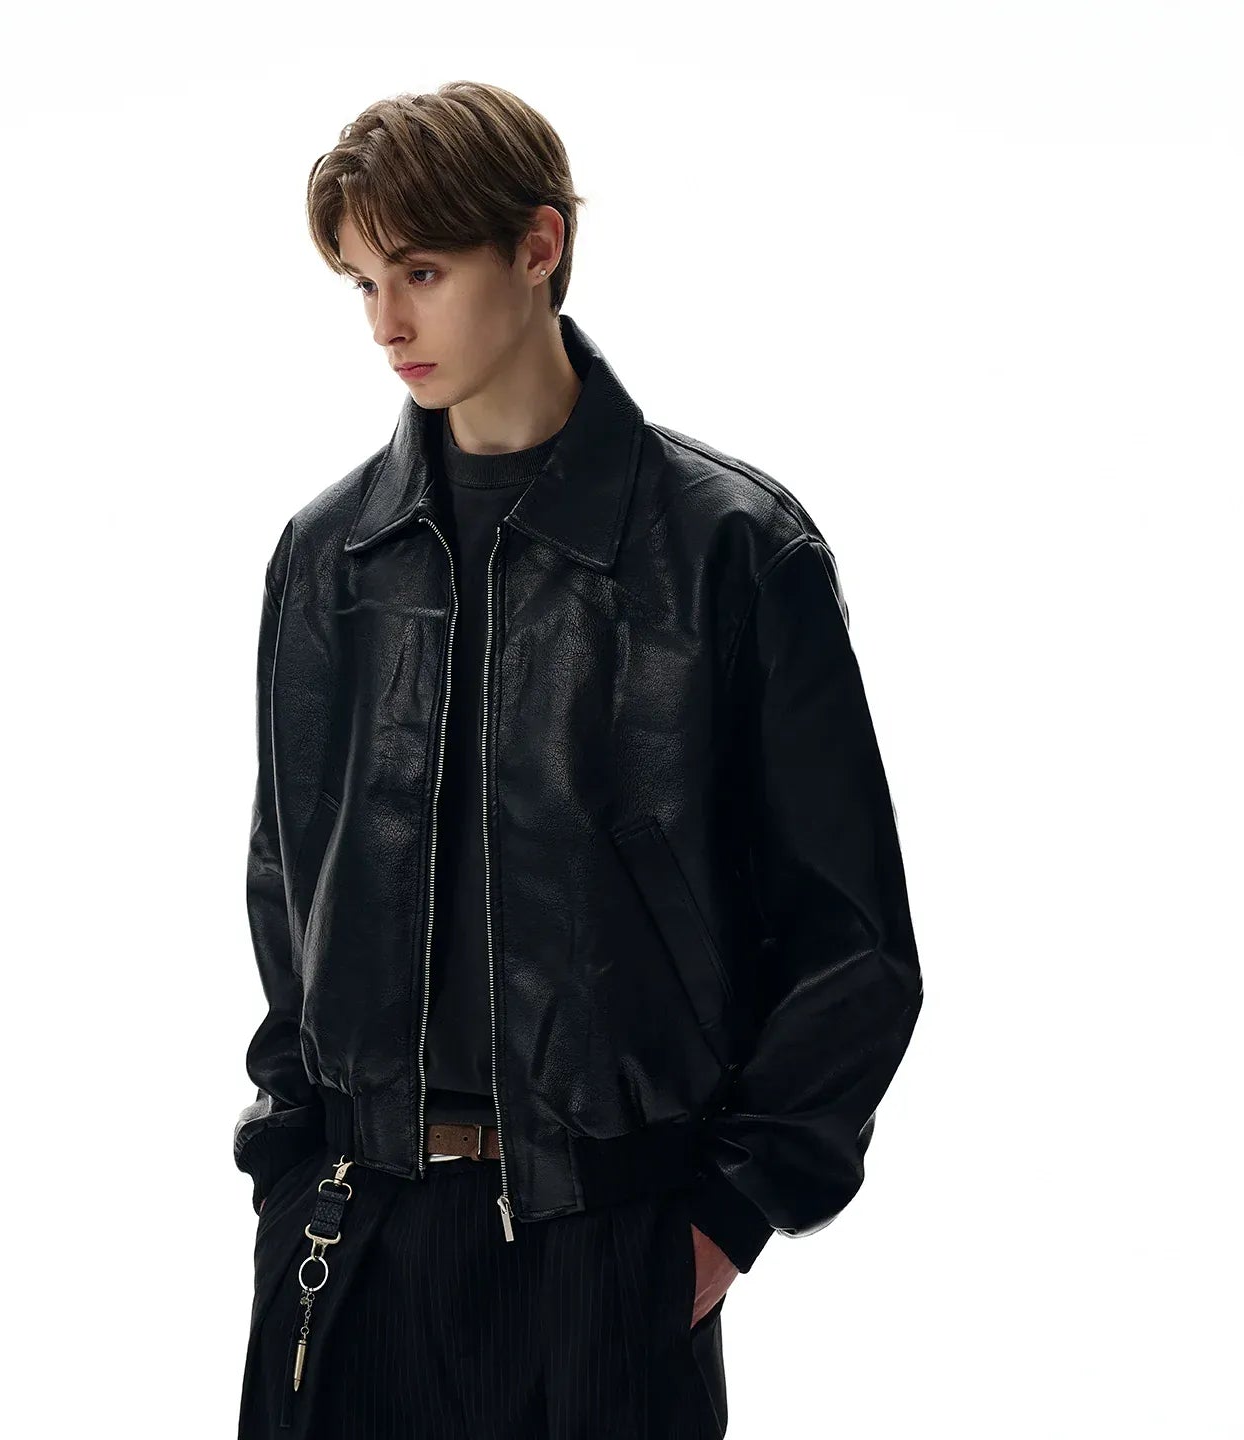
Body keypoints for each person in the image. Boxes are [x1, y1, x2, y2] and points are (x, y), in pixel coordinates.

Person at [233, 80, 924, 1439]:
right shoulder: (331, 558)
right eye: (363, 282)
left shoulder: (731, 553)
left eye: (421, 271)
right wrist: (291, 1170)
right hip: (354, 1241)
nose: (386, 324)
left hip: (609, 1246)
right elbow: (287, 891)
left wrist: (730, 1211)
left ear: (537, 245)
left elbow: (853, 944)